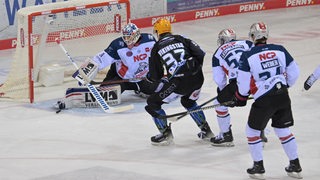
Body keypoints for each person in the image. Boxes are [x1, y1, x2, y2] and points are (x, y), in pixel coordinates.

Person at [228, 22, 302, 179]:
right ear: (266, 35)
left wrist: (240, 97)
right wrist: (284, 84)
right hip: (282, 95)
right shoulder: (280, 49)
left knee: (252, 131)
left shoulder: (248, 55)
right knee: (283, 130)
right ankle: (295, 165)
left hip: (264, 99)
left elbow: (243, 81)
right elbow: (294, 71)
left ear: (253, 37)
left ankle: (258, 167)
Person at [56, 23, 158, 110]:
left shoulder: (150, 41)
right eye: (125, 37)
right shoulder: (118, 45)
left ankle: (139, 89)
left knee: (157, 91)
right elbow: (100, 59)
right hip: (122, 79)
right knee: (105, 96)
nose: (127, 41)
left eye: (129, 38)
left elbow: (157, 57)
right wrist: (84, 73)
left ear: (136, 36)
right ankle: (71, 97)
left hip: (143, 78)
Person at [144, 18, 214, 145]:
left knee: (152, 102)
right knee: (188, 101)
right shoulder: (182, 38)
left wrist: (149, 77)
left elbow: (156, 75)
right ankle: (207, 131)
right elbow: (200, 54)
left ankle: (165, 134)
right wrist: (193, 69)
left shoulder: (156, 47)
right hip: (198, 78)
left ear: (158, 32)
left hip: (180, 83)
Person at [211, 28, 268, 147]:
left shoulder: (218, 52)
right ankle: (259, 133)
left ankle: (226, 135)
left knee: (219, 104)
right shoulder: (247, 43)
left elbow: (219, 79)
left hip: (237, 83)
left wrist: (223, 93)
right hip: (255, 80)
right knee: (261, 103)